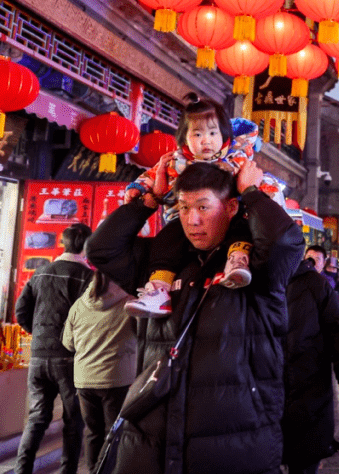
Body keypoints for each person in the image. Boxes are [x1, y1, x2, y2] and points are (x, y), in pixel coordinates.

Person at [86, 161, 304, 474]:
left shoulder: (254, 270)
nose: (192, 220)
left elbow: (286, 243)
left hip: (234, 446)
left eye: (203, 206)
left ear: (230, 207)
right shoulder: (162, 266)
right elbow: (101, 250)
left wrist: (252, 194)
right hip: (152, 446)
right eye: (184, 207)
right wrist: (148, 200)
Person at [122, 96, 268, 317]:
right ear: (184, 138)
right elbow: (150, 176)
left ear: (224, 136)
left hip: (229, 219)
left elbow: (260, 185)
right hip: (182, 222)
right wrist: (138, 189)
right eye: (197, 134)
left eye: (212, 133)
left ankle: (237, 261)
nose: (205, 141)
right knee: (165, 242)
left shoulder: (236, 159)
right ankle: (159, 290)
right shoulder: (174, 161)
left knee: (243, 229)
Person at [14, 223, 93, 474]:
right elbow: (89, 318)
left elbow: (21, 312)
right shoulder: (87, 277)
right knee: (73, 420)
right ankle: (67, 471)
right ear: (87, 246)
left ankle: (22, 469)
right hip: (69, 359)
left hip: (38, 356)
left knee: (37, 417)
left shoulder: (40, 273)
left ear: (63, 243)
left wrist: (38, 334)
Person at [282, 245, 339, 474]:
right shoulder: (313, 283)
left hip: (305, 372)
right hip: (302, 372)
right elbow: (338, 325)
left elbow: (337, 326)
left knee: (302, 446)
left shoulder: (316, 284)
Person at [62, 269, 137, 471]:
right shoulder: (130, 303)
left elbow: (68, 342)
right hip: (116, 379)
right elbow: (144, 336)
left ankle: (94, 470)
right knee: (113, 433)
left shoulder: (79, 305)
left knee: (93, 432)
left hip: (84, 380)